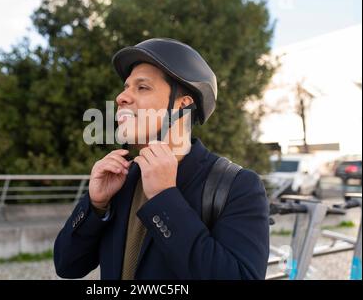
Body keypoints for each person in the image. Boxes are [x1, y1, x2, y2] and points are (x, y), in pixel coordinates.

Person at [54, 38, 270, 280]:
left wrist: (165, 198)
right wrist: (95, 205)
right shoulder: (121, 180)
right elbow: (66, 266)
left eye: (142, 87)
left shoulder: (237, 186)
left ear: (183, 104)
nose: (121, 97)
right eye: (125, 87)